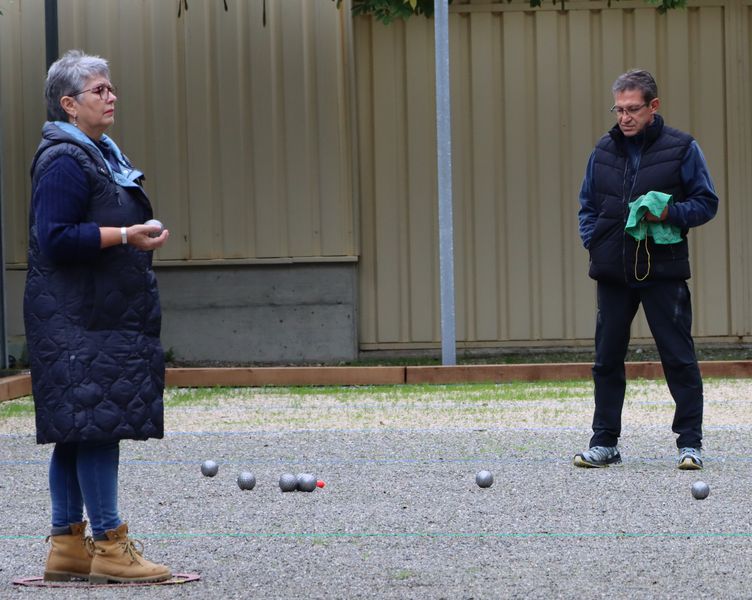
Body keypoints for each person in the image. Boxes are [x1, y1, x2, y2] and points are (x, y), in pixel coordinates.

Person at [23, 50, 172, 583]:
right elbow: (55, 238)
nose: (111, 97)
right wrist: (127, 235)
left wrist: (134, 233)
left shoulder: (96, 152)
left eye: (111, 89)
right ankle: (110, 546)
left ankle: (66, 546)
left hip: (94, 314)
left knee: (77, 427)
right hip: (78, 319)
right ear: (69, 104)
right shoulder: (65, 157)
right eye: (99, 90)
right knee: (97, 427)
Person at [574, 69, 719, 470]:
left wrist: (669, 212)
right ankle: (605, 443)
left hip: (663, 271)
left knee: (678, 358)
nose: (625, 117)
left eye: (633, 109)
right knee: (606, 359)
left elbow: (706, 203)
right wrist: (594, 240)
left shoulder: (683, 148)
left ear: (653, 107)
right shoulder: (602, 150)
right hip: (613, 272)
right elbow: (587, 206)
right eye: (619, 109)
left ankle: (689, 443)